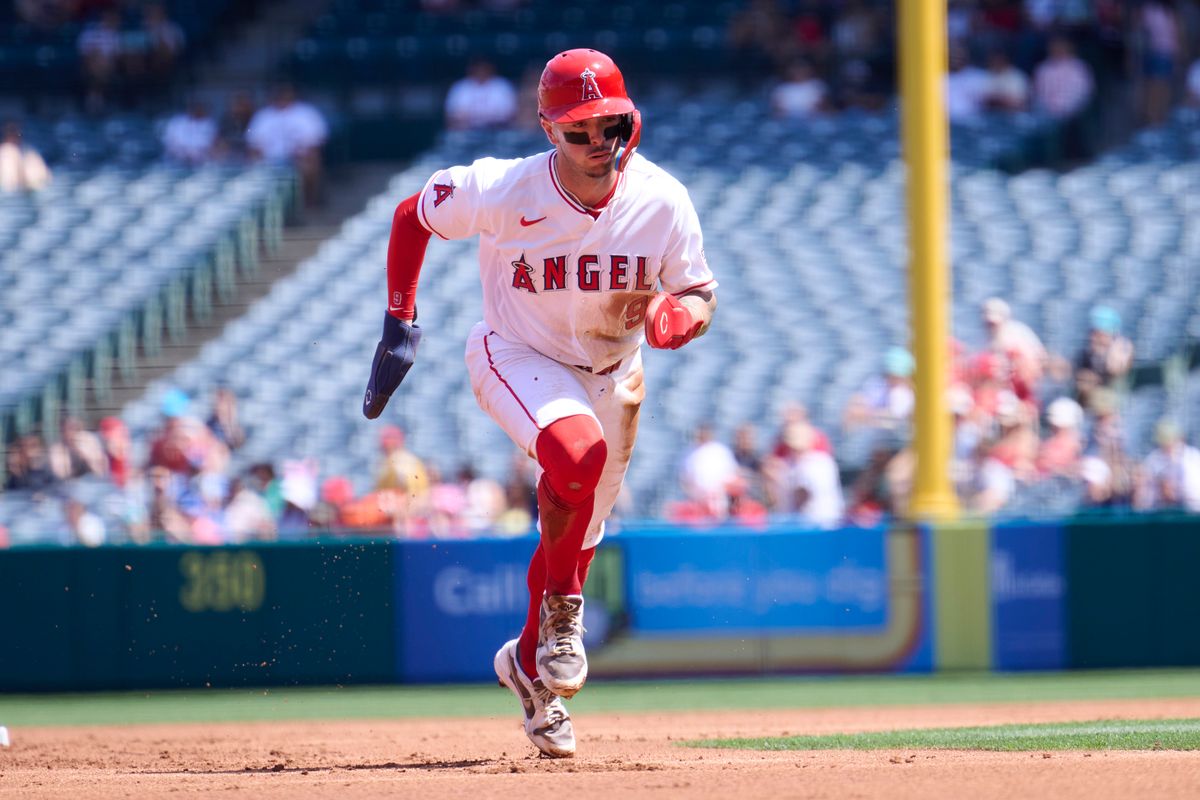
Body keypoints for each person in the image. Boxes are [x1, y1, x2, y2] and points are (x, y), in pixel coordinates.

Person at [360, 48, 717, 759]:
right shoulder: (504, 188)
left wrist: (684, 317)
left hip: (615, 372)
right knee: (575, 457)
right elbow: (411, 216)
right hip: (516, 353)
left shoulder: (663, 199)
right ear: (549, 130)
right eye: (579, 130)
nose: (597, 144)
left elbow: (698, 291)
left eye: (608, 126)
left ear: (628, 122)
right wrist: (401, 317)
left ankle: (531, 669)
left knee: (576, 534)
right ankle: (563, 615)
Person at [246, 85, 329, 205]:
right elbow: (253, 143)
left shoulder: (307, 113)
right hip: (269, 160)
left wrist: (302, 153)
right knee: (252, 165)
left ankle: (308, 205)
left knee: (311, 164)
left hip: (298, 158)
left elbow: (316, 141)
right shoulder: (263, 115)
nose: (282, 97)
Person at [444, 59, 518, 131]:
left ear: (491, 69)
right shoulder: (460, 86)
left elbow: (511, 115)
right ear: (471, 70)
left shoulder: (502, 85)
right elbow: (451, 117)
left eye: (484, 68)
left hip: (497, 130)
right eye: (478, 68)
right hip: (466, 131)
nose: (481, 71)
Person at [162, 98, 218, 167]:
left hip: (201, 162)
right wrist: (183, 153)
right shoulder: (177, 121)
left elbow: (211, 145)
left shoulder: (210, 124)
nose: (198, 110)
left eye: (200, 108)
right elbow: (169, 143)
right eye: (195, 108)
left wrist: (195, 155)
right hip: (176, 160)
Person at [0, 122, 51, 193]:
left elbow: (45, 177)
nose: (14, 137)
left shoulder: (30, 152)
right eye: (11, 134)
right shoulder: (4, 152)